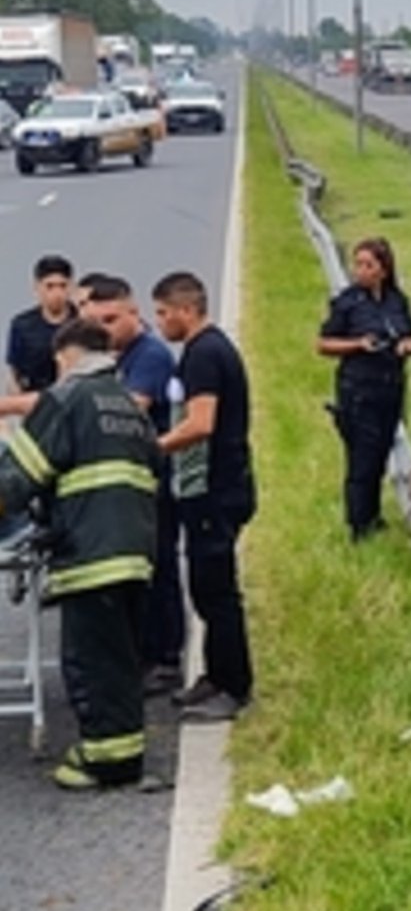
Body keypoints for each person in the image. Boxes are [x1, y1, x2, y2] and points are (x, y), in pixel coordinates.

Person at [0, 319, 158, 789]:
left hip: (92, 553)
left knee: (92, 661)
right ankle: (122, 751)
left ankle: (108, 763)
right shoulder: (129, 406)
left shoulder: (65, 400)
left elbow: (16, 478)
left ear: (65, 357)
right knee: (121, 659)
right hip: (134, 550)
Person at [153, 272, 256, 721]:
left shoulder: (205, 356)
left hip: (216, 489)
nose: (160, 322)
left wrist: (152, 447)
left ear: (185, 310)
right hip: (206, 490)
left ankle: (233, 686)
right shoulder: (201, 350)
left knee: (216, 591)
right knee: (203, 586)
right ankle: (215, 675)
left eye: (163, 312)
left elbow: (200, 423)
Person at [81, 276, 186, 695]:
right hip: (130, 484)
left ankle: (166, 658)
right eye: (95, 323)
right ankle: (144, 652)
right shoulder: (117, 357)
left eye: (110, 320)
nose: (103, 331)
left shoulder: (151, 357)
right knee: (140, 572)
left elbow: (126, 410)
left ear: (132, 311)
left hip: (155, 479)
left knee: (159, 568)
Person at [317, 237, 411, 540]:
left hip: (390, 387)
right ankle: (358, 525)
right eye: (357, 264)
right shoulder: (347, 303)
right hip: (357, 390)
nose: (360, 271)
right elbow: (323, 344)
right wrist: (358, 344)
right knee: (361, 458)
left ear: (383, 270)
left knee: (380, 453)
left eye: (368, 265)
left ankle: (374, 516)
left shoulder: (397, 301)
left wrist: (407, 345)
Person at [7, 255, 75, 393]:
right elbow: (14, 372)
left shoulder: (83, 323)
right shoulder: (22, 326)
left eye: (63, 286)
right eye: (49, 286)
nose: (57, 293)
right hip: (34, 398)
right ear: (37, 287)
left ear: (71, 287)